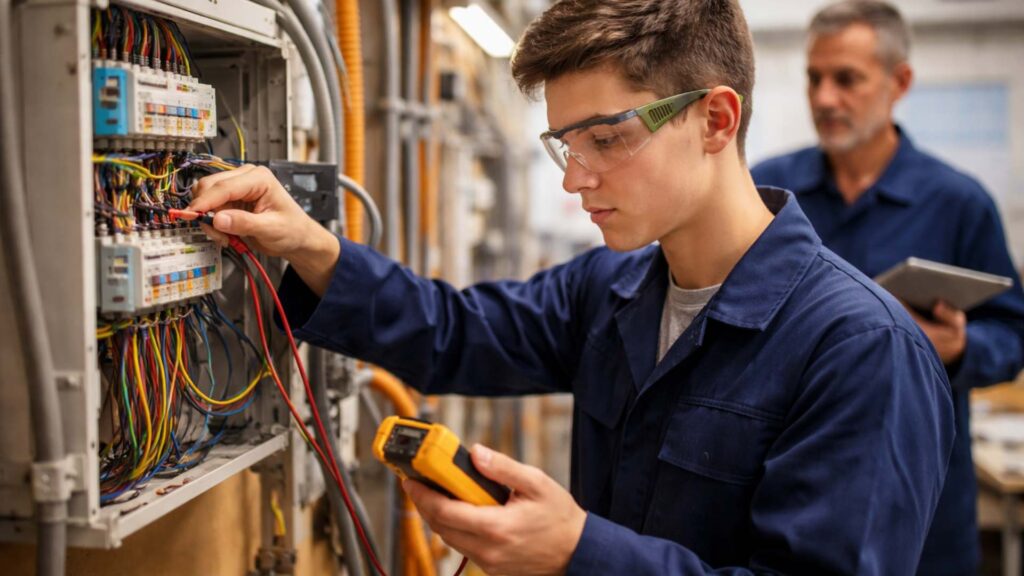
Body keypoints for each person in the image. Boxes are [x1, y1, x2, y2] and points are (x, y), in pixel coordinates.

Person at [192, 1, 954, 573]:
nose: (574, 179)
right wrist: (309, 243)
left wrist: (576, 551)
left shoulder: (861, 350)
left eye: (607, 138)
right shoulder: (612, 289)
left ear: (716, 120)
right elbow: (450, 331)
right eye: (566, 144)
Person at [751, 2, 1024, 574]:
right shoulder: (767, 194)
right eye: (814, 78)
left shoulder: (958, 201)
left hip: (922, 503)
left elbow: (1013, 331)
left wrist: (960, 348)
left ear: (899, 82)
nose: (824, 98)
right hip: (787, 488)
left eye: (846, 79)